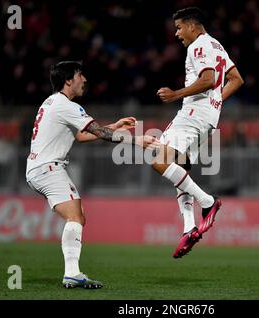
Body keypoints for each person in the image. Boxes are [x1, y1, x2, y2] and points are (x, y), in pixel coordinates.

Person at [25, 61, 160, 289]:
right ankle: (72, 274)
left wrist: (115, 126)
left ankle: (72, 272)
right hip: (48, 168)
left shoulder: (52, 103)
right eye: (80, 75)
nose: (84, 79)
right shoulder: (66, 105)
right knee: (75, 217)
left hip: (39, 168)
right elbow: (99, 132)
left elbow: (81, 136)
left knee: (78, 216)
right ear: (69, 80)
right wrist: (137, 140)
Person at [154, 7, 244, 258]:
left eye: (180, 27)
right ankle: (188, 227)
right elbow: (236, 79)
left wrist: (175, 94)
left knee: (159, 160)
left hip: (193, 114)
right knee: (178, 169)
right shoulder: (218, 46)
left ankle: (207, 202)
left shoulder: (199, 45)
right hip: (207, 118)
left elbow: (207, 79)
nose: (177, 34)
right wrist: (215, 102)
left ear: (193, 26)